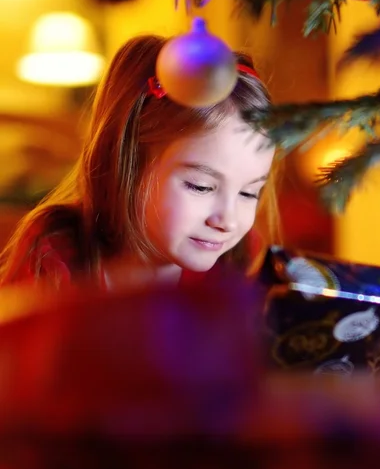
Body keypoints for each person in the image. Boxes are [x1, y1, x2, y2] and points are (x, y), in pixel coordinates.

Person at [0, 34, 279, 291]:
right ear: (128, 162)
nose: (228, 221)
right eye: (201, 187)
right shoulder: (55, 254)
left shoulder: (240, 262)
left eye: (248, 193)